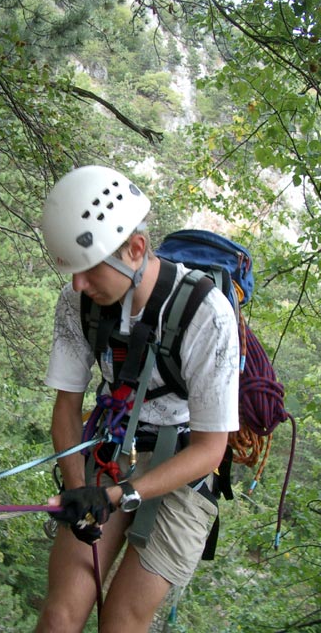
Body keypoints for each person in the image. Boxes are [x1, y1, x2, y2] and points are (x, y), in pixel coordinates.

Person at [35, 165, 239, 633]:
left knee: (122, 622)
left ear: (136, 249)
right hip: (112, 448)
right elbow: (66, 408)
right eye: (71, 272)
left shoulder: (208, 315)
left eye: (88, 270)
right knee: (59, 617)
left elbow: (211, 450)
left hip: (184, 465)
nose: (77, 285)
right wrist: (78, 490)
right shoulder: (78, 303)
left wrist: (117, 495)